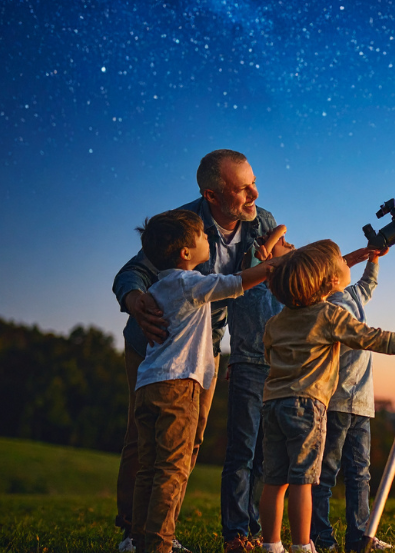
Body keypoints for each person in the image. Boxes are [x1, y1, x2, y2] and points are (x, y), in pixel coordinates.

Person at [112, 149, 289, 553]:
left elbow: (284, 260)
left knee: (188, 442)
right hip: (153, 343)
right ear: (212, 195)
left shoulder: (258, 221)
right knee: (144, 441)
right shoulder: (182, 225)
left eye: (254, 182)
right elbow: (131, 271)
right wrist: (135, 300)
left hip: (203, 348)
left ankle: (162, 530)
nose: (254, 194)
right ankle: (133, 532)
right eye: (242, 188)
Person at [257, 240, 395, 553]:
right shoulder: (328, 314)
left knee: (274, 480)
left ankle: (271, 545)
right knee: (304, 479)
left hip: (272, 404)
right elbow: (373, 338)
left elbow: (268, 356)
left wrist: (370, 259)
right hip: (307, 404)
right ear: (324, 282)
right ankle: (304, 545)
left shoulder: (274, 322)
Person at [310, 247, 394, 552]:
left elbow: (368, 284)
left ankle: (359, 537)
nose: (349, 265)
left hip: (361, 403)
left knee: (360, 471)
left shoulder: (351, 296)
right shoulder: (324, 308)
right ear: (333, 278)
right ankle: (321, 537)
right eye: (343, 265)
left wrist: (373, 260)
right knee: (326, 473)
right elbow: (362, 336)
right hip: (335, 402)